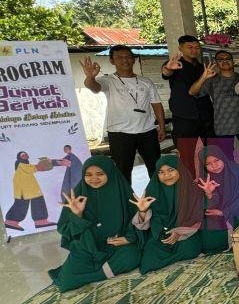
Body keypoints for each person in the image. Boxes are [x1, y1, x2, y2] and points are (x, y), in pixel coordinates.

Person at [49, 156, 142, 292]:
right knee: (66, 281)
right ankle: (105, 272)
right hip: (88, 246)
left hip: (116, 246)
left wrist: (129, 238)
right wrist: (77, 215)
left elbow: (136, 220)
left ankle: (93, 274)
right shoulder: (77, 196)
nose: (94, 178)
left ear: (110, 173)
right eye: (88, 175)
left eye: (100, 174)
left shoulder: (122, 191)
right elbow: (65, 229)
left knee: (133, 256)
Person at [81, 46, 165, 181]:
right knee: (122, 171)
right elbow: (93, 87)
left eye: (128, 57)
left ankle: (159, 198)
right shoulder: (108, 81)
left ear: (133, 60)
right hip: (120, 133)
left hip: (147, 131)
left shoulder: (146, 81)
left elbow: (156, 105)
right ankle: (125, 201)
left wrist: (161, 126)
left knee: (156, 168)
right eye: (119, 57)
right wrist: (90, 77)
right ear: (112, 61)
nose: (124, 60)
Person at [133, 155, 204, 274]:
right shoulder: (152, 190)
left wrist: (179, 232)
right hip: (160, 235)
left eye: (171, 170)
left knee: (190, 249)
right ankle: (170, 259)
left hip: (185, 233)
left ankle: (167, 260)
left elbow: (198, 216)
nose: (167, 175)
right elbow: (146, 225)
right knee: (149, 258)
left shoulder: (191, 188)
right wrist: (142, 211)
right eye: (161, 172)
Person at [161, 35, 214, 176]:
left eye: (197, 47)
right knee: (187, 155)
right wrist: (168, 68)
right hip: (184, 117)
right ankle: (190, 186)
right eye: (189, 47)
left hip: (205, 116)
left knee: (208, 153)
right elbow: (166, 73)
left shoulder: (202, 66)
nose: (194, 50)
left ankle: (208, 184)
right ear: (180, 48)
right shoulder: (175, 64)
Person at [190, 50, 239, 164]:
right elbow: (192, 92)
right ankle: (231, 180)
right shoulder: (211, 80)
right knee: (228, 159)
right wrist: (204, 77)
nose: (224, 61)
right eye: (221, 59)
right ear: (216, 63)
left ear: (232, 61)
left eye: (227, 59)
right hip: (223, 126)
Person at [197, 145, 239, 254]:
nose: (214, 166)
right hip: (217, 215)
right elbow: (207, 208)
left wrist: (224, 212)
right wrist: (209, 194)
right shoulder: (204, 179)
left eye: (217, 160)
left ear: (223, 158)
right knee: (208, 242)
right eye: (208, 164)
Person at [5, 151, 56, 231]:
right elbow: (38, 167)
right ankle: (11, 221)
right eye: (23, 155)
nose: (25, 155)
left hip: (30, 187)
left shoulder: (27, 165)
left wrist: (50, 162)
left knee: (38, 200)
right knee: (21, 203)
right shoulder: (21, 165)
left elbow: (37, 167)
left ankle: (41, 221)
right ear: (19, 157)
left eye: (26, 154)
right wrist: (49, 162)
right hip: (23, 188)